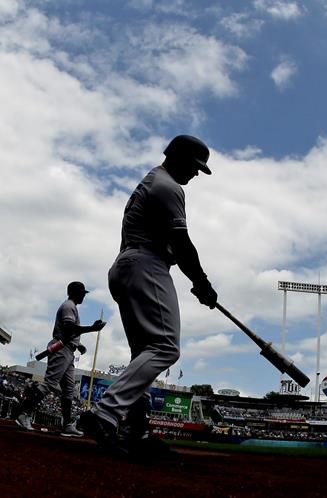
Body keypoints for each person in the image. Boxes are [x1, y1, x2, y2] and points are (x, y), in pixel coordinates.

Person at [79, 135, 218, 454]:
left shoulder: (154, 180)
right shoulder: (168, 186)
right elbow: (182, 245)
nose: (196, 174)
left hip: (127, 265)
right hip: (145, 265)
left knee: (144, 352)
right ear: (178, 157)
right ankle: (106, 413)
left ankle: (137, 432)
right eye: (195, 167)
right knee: (166, 347)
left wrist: (198, 282)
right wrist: (202, 282)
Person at [15, 281, 106, 436]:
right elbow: (69, 328)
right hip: (61, 349)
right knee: (50, 383)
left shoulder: (72, 307)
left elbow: (68, 332)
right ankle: (24, 413)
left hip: (68, 349)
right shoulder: (68, 306)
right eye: (82, 293)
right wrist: (92, 328)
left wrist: (78, 345)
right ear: (75, 293)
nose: (84, 295)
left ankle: (67, 425)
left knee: (69, 389)